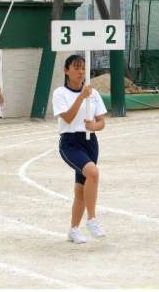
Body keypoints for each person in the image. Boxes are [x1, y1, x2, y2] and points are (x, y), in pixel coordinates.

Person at [52, 54, 107, 244]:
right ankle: (92, 219)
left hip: (90, 142)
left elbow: (101, 122)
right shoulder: (60, 93)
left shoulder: (93, 93)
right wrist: (82, 97)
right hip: (70, 142)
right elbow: (67, 118)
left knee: (81, 189)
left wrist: (94, 126)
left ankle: (73, 230)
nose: (81, 72)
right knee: (93, 172)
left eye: (83, 68)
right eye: (76, 68)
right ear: (66, 71)